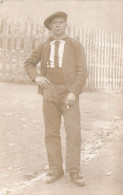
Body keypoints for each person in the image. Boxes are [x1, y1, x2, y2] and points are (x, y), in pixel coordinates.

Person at [25, 11, 88, 186]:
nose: (58, 25)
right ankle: (55, 169)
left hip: (69, 94)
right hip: (49, 92)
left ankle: (74, 171)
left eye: (61, 22)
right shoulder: (44, 46)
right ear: (50, 27)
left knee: (73, 132)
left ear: (66, 25)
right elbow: (29, 63)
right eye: (55, 23)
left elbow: (82, 71)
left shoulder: (75, 45)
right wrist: (36, 77)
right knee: (51, 133)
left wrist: (74, 92)